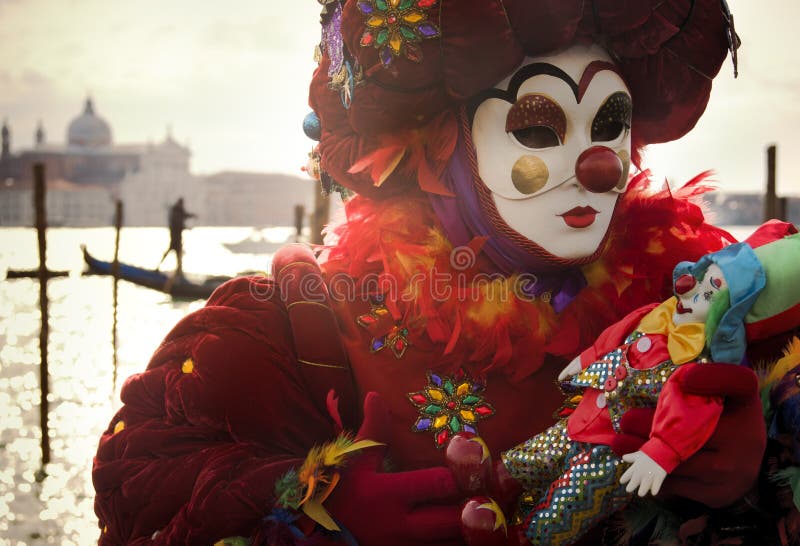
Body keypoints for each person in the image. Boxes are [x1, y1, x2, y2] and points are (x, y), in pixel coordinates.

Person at [93, 3, 794, 545]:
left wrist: (758, 470)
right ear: (439, 150)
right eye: (541, 129)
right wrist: (307, 505)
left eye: (610, 125)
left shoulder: (702, 301)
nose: (599, 165)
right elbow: (139, 484)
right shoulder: (297, 329)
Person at [156, 197, 195, 278]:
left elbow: (185, 215)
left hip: (178, 238)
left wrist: (192, 215)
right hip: (175, 238)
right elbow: (177, 224)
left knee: (178, 255)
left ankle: (179, 272)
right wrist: (186, 228)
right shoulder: (176, 212)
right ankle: (159, 268)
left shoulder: (180, 211)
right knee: (173, 253)